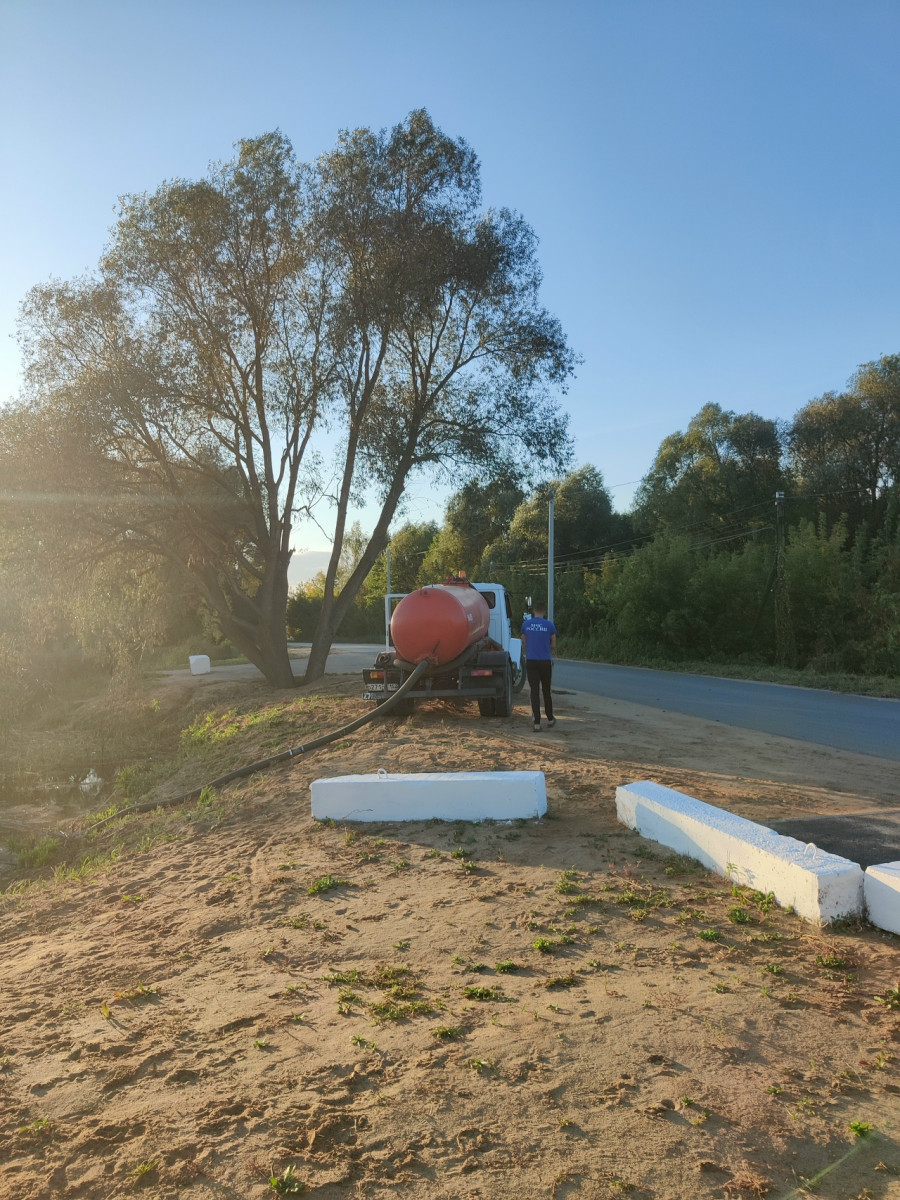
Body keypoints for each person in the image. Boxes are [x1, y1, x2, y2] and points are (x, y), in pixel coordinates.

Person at [520, 603, 557, 731]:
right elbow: (553, 644)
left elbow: (524, 641)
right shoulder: (549, 625)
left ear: (534, 610)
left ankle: (537, 723)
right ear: (544, 612)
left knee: (534, 691)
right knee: (546, 691)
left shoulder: (526, 625)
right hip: (545, 661)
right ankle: (550, 718)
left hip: (531, 661)